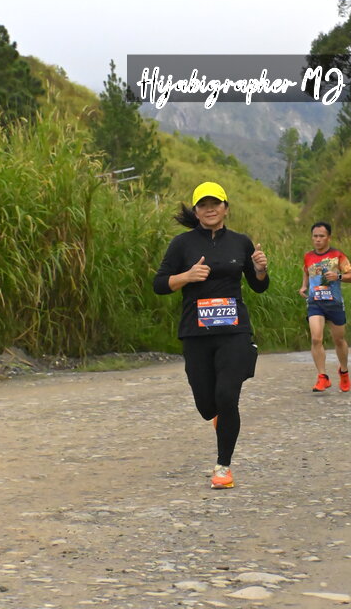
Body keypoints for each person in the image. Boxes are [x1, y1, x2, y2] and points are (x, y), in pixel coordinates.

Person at [153, 182, 269, 489]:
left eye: (215, 204)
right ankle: (220, 415)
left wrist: (260, 270)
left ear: (226, 208)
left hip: (234, 331)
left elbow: (259, 286)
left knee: (227, 396)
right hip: (196, 333)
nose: (210, 209)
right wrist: (187, 276)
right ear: (196, 211)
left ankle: (223, 468)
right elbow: (159, 284)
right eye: (203, 205)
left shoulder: (241, 243)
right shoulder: (182, 245)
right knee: (208, 406)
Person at [299, 222, 351, 393]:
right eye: (315, 236)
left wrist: (338, 276)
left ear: (328, 238)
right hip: (315, 303)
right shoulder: (308, 256)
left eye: (321, 236)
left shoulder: (338, 256)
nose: (318, 239)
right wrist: (304, 286)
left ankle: (343, 371)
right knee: (316, 339)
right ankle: (322, 377)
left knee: (339, 340)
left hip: (334, 303)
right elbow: (306, 271)